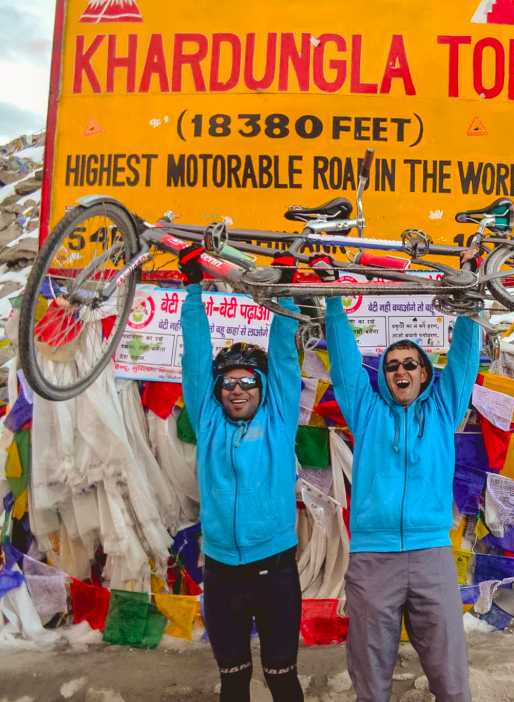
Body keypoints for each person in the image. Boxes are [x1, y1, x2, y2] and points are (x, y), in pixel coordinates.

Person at [317, 256, 482, 702]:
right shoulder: (367, 414)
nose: (401, 371)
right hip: (374, 559)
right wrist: (333, 298)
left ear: (425, 373)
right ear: (385, 378)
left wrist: (470, 303)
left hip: (431, 555)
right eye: (392, 366)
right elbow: (347, 365)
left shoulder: (443, 409)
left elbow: (465, 360)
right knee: (370, 677)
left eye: (410, 364)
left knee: (450, 675)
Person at [179, 244, 304, 702]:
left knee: (281, 676)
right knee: (233, 679)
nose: (237, 389)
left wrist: (285, 293)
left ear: (263, 388)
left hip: (275, 568)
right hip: (222, 572)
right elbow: (194, 360)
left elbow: (285, 360)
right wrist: (193, 290)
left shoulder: (277, 420)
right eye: (228, 381)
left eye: (248, 381)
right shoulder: (208, 421)